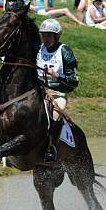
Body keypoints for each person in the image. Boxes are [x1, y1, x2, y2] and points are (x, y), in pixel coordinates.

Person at [35, 18, 79, 162]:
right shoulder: (39, 49)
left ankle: (51, 148)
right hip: (38, 91)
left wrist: (57, 76)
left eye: (49, 35)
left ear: (56, 36)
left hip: (57, 94)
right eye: (44, 35)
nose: (45, 39)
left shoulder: (64, 51)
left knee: (55, 116)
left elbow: (74, 81)